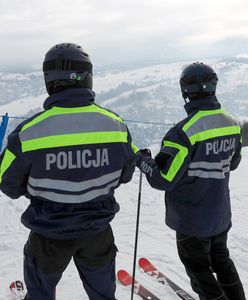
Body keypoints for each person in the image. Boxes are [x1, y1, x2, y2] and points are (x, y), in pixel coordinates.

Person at [0, 43, 138, 300]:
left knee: (40, 294)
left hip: (48, 236)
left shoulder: (29, 132)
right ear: (88, 77)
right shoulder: (115, 125)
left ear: (49, 81)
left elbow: (7, 183)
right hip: (97, 232)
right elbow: (126, 174)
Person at [137, 62, 246, 299]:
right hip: (220, 214)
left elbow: (163, 179)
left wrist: (142, 160)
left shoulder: (183, 132)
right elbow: (233, 163)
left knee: (199, 269)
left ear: (185, 91)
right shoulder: (231, 123)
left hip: (192, 219)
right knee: (221, 261)